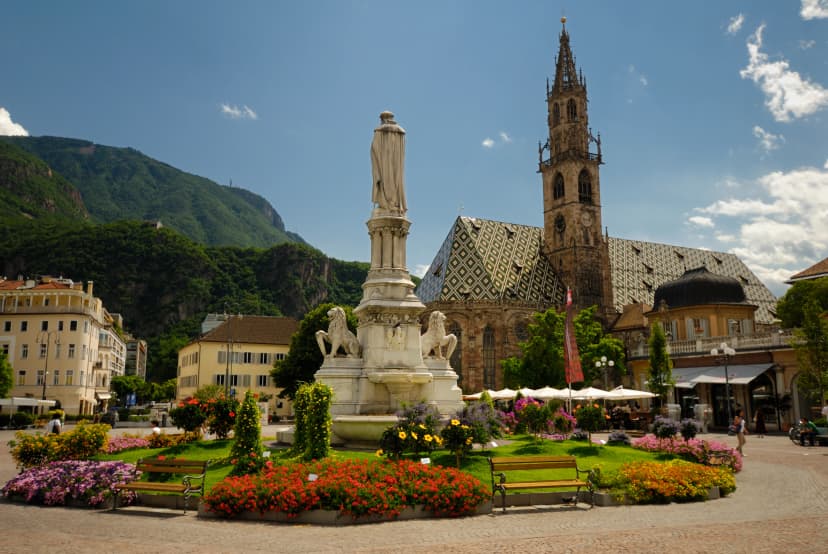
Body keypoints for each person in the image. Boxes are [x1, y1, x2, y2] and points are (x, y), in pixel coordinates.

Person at [370, 111, 406, 213]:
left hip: (384, 164)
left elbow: (375, 149)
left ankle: (387, 203)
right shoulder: (400, 133)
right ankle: (395, 203)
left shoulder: (379, 132)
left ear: (383, 119)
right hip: (397, 166)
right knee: (395, 180)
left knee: (385, 180)